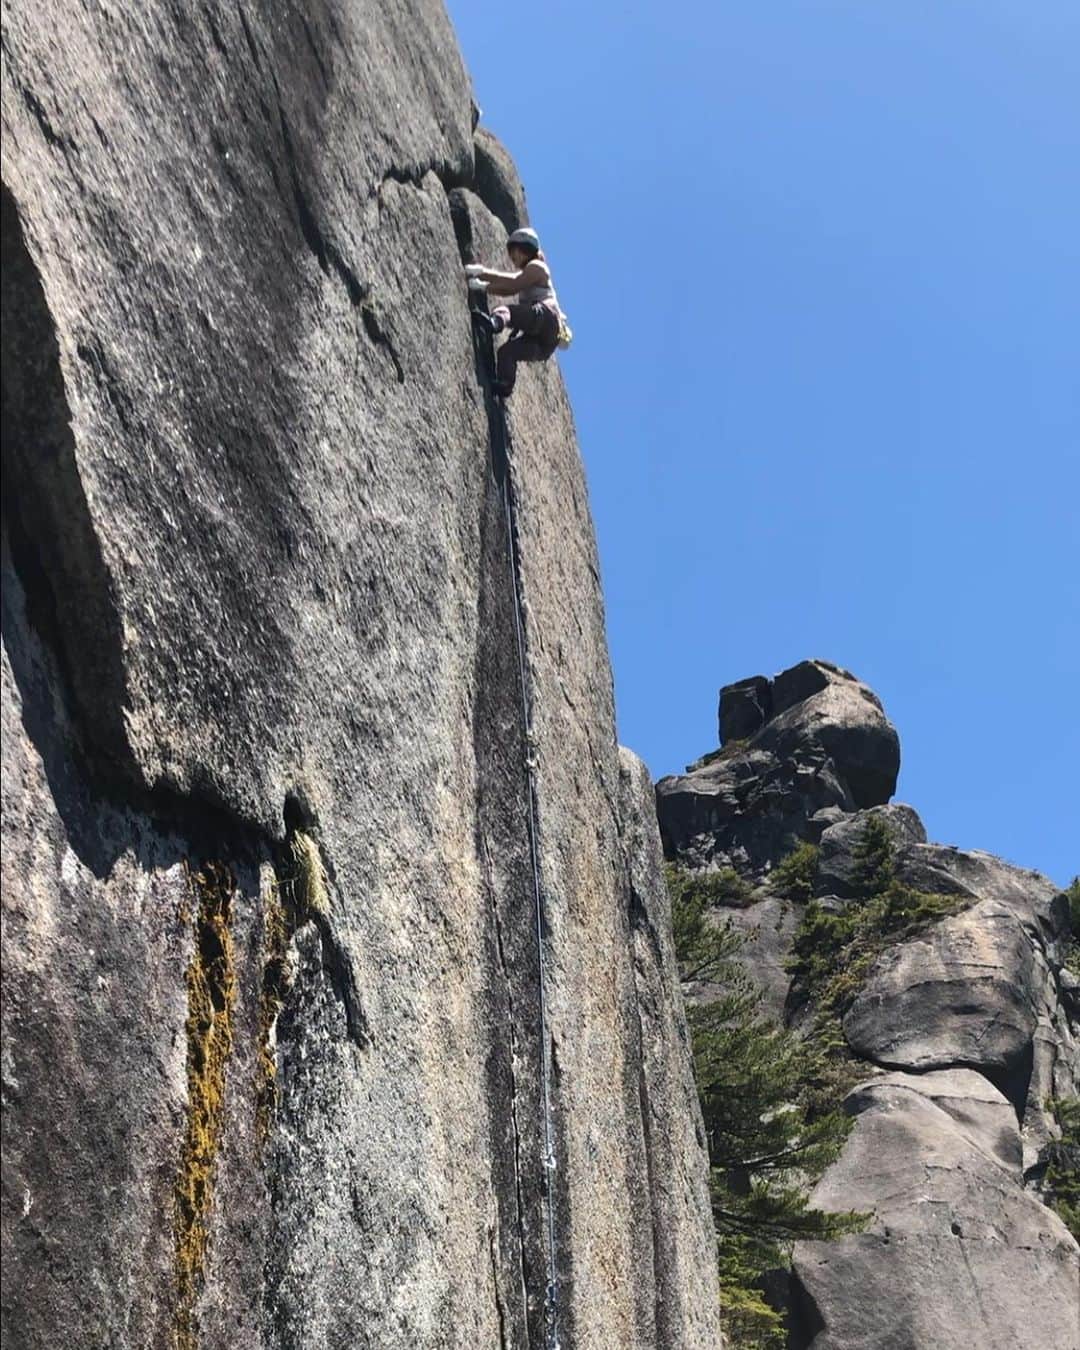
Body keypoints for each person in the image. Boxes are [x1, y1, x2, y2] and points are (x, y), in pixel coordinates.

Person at [465, 227, 566, 397]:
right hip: (545, 345)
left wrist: (482, 274)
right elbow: (507, 290)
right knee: (507, 352)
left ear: (526, 248)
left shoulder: (537, 266)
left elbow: (513, 283)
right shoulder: (531, 275)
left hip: (546, 317)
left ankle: (495, 323)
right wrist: (484, 287)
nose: (513, 259)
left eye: (515, 253)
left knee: (506, 311)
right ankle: (505, 385)